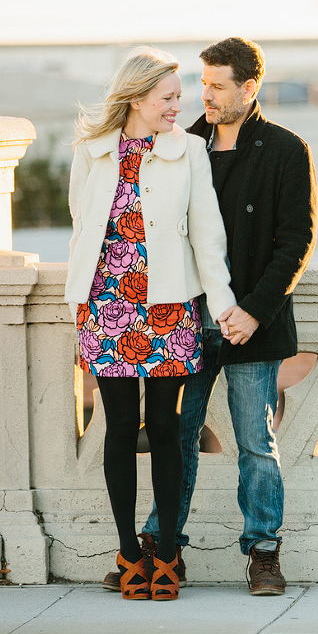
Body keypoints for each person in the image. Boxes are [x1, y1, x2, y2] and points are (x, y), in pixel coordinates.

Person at [104, 36, 317, 596]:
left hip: (253, 321)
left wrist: (252, 311)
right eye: (203, 84)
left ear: (251, 87)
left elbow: (296, 241)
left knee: (255, 441)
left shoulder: (286, 150)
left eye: (218, 86)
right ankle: (162, 543)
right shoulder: (178, 142)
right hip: (183, 319)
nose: (206, 96)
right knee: (175, 433)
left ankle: (264, 552)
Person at [66, 47, 237, 601]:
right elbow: (81, 227)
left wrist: (222, 301)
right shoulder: (92, 152)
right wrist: (78, 297)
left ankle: (165, 552)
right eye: (167, 98)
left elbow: (207, 233)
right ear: (137, 97)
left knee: (164, 427)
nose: (177, 107)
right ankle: (127, 553)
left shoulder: (189, 151)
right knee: (118, 428)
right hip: (108, 306)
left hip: (167, 306)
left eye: (178, 97)